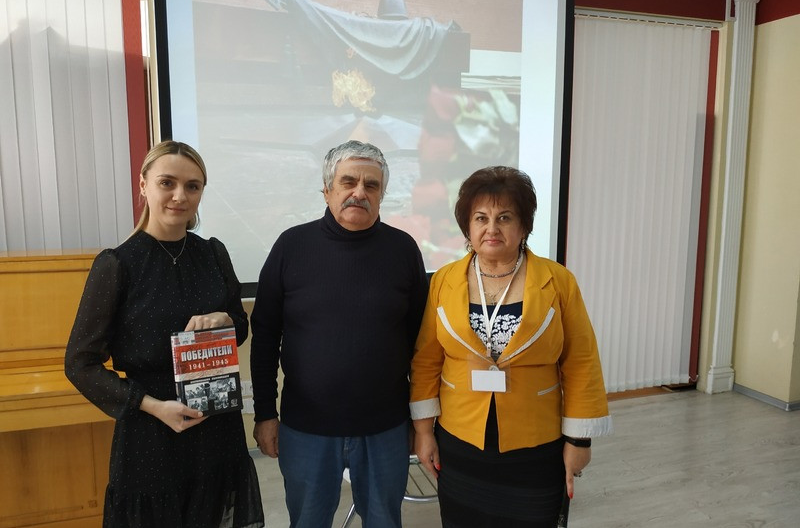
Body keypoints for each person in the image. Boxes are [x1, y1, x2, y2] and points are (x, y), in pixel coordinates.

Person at [65, 141, 264, 528]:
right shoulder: (118, 264)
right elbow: (79, 363)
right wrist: (153, 407)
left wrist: (224, 319)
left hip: (217, 429)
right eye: (167, 183)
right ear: (143, 185)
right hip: (152, 434)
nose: (180, 196)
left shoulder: (213, 253)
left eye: (192, 186)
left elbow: (240, 326)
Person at [410, 166, 613, 527]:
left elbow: (581, 362)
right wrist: (424, 431)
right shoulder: (443, 280)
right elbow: (427, 360)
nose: (492, 228)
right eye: (481, 218)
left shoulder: (558, 281)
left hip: (535, 443)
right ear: (468, 227)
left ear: (523, 226)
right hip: (460, 440)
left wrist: (579, 442)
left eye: (504, 217)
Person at [250, 140, 428, 528]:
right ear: (327, 189)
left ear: (381, 195)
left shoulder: (403, 250)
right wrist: (265, 413)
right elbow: (264, 335)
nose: (359, 192)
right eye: (348, 181)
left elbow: (422, 343)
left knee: (384, 521)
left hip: (385, 428)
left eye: (371, 185)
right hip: (306, 428)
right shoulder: (291, 246)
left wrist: (421, 421)